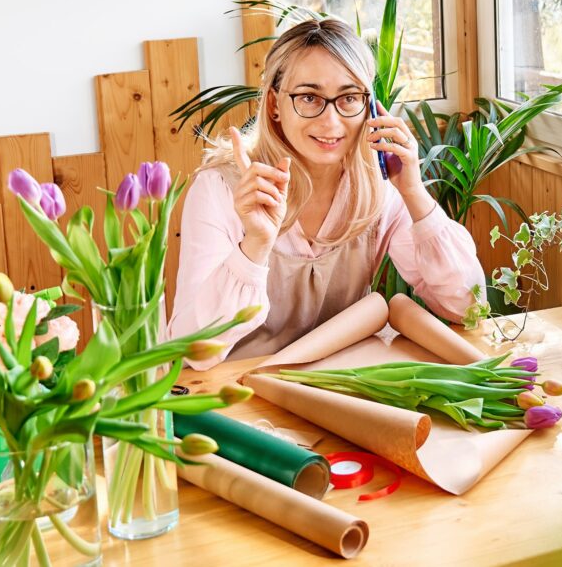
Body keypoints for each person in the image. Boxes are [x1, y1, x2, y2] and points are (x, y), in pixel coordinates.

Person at [169, 18, 484, 370]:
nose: (331, 122)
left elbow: (468, 308)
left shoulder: (378, 189)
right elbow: (191, 350)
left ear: (369, 105)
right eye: (309, 97)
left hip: (335, 391)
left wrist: (413, 192)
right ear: (274, 103)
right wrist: (254, 245)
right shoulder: (221, 189)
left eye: (348, 98)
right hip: (237, 396)